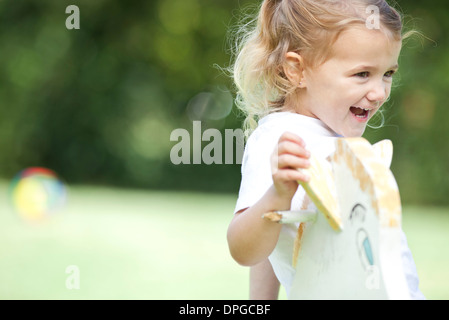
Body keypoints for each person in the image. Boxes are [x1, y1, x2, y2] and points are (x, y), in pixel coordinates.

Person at [226, 0, 425, 300]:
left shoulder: (336, 134)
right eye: (362, 74)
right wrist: (278, 196)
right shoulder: (278, 138)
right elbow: (244, 249)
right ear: (297, 70)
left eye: (388, 74)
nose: (380, 92)